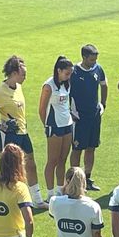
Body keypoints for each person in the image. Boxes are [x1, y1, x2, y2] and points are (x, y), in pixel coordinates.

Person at [0, 55, 46, 208]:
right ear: (14, 73)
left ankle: (37, 200)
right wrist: (0, 126)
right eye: (23, 74)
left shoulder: (18, 86)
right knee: (10, 170)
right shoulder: (1, 92)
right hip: (10, 135)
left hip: (23, 132)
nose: (25, 77)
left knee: (31, 164)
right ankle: (9, 201)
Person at [69, 44, 108, 191]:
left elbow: (104, 85)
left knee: (91, 148)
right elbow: (66, 92)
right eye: (92, 59)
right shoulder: (74, 72)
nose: (94, 62)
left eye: (95, 59)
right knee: (77, 149)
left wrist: (103, 104)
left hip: (94, 116)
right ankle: (74, 180)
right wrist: (70, 111)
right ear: (84, 57)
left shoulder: (98, 69)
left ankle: (87, 178)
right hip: (79, 117)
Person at [39, 56, 74, 200]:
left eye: (70, 73)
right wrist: (47, 125)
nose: (69, 76)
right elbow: (42, 109)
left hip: (67, 124)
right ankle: (50, 194)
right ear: (58, 71)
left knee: (63, 159)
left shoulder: (66, 83)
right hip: (54, 126)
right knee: (52, 160)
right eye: (67, 73)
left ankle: (60, 191)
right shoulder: (49, 86)